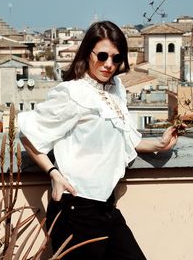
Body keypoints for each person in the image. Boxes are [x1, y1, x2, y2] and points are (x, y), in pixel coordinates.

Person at [18, 21, 178, 260]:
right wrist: (54, 173)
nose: (109, 65)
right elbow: (28, 134)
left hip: (105, 207)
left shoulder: (114, 90)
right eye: (102, 56)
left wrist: (159, 144)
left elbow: (125, 137)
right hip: (76, 208)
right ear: (87, 53)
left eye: (116, 58)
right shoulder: (73, 93)